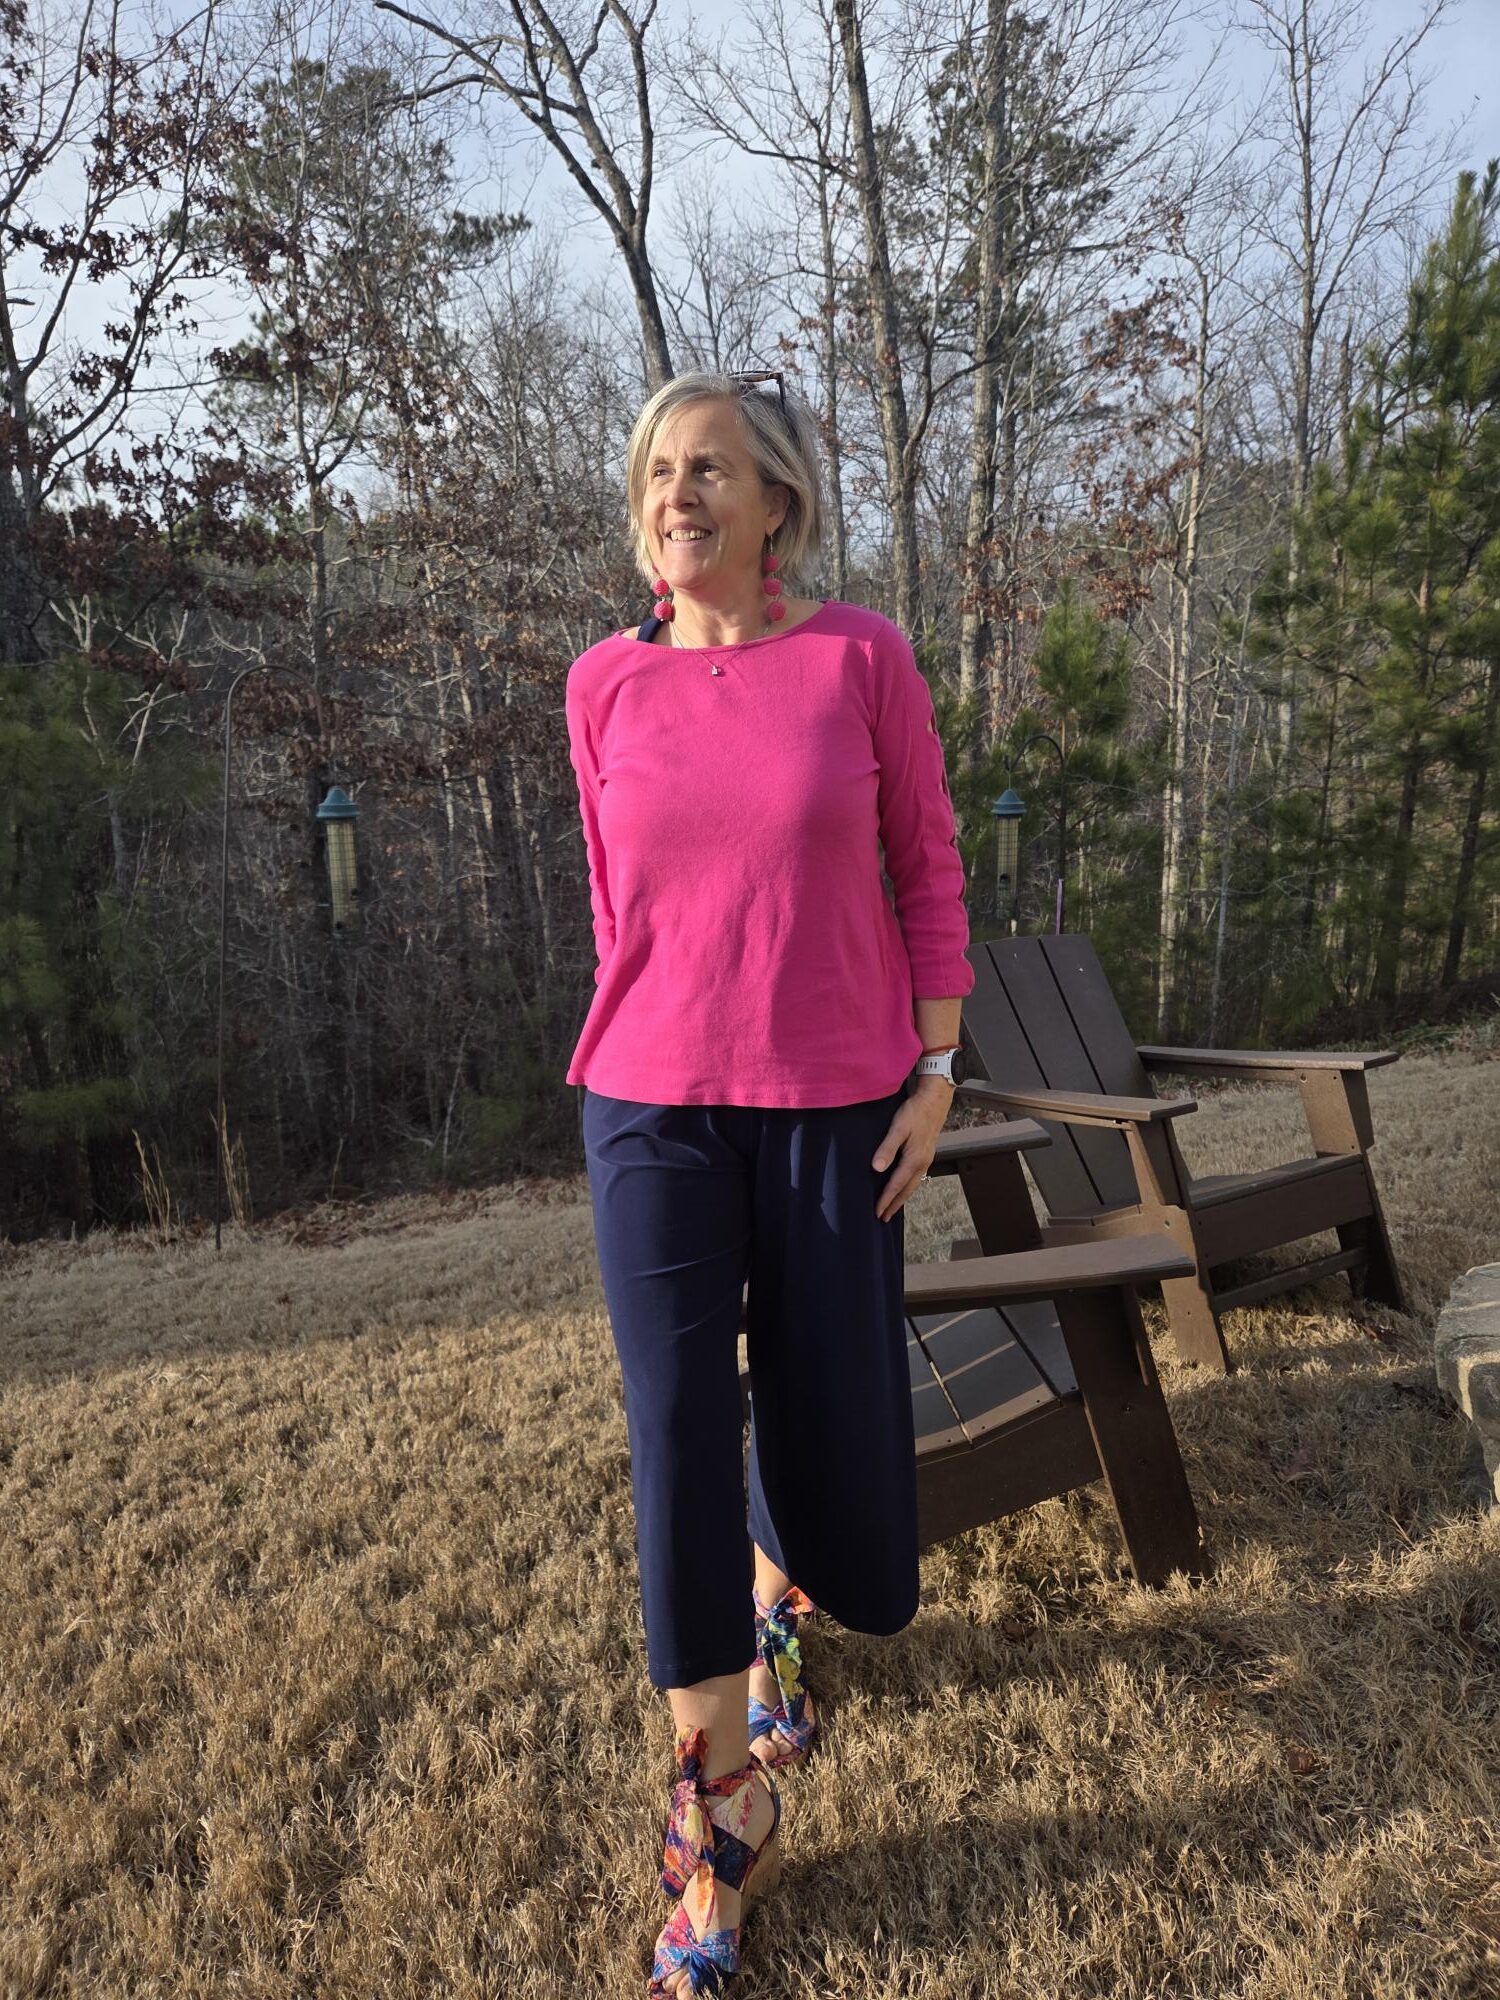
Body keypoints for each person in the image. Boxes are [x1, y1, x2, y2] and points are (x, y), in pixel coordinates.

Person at [563, 368, 975, 1997]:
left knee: (818, 1409)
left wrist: (937, 1070)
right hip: (648, 1108)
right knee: (677, 1427)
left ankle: (780, 1600)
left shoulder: (861, 659)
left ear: (776, 501)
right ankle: (716, 1807)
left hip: (836, 1106)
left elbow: (927, 863)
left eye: (711, 468)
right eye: (659, 471)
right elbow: (621, 912)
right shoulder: (601, 685)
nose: (679, 493)